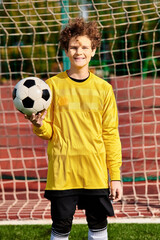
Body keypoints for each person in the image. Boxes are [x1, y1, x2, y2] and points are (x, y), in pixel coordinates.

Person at [25, 18, 122, 240]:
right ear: (66, 51)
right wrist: (39, 125)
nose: (79, 52)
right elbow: (50, 132)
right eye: (74, 47)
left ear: (94, 51)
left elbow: (110, 134)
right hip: (63, 171)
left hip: (95, 172)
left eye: (85, 47)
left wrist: (114, 176)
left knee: (98, 226)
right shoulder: (51, 86)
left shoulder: (104, 89)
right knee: (61, 228)